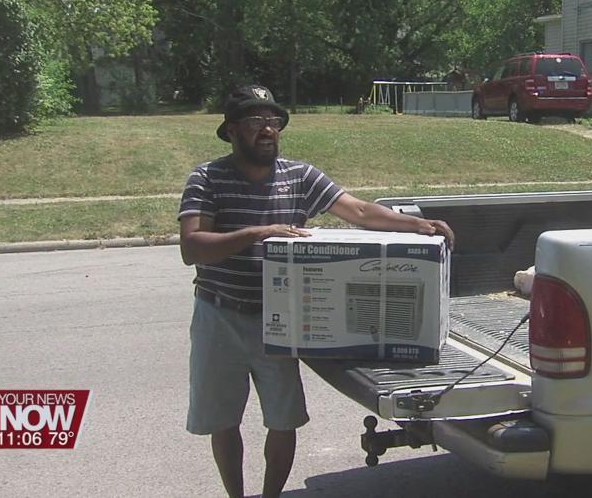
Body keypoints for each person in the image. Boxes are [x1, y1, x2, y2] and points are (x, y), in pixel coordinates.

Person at [178, 84, 454, 498]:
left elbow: (358, 210)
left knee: (283, 420)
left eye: (273, 121)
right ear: (231, 130)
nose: (267, 130)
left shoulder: (299, 176)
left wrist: (420, 225)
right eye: (255, 122)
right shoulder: (207, 178)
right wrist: (258, 233)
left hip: (279, 318)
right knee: (223, 421)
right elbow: (192, 247)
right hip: (219, 314)